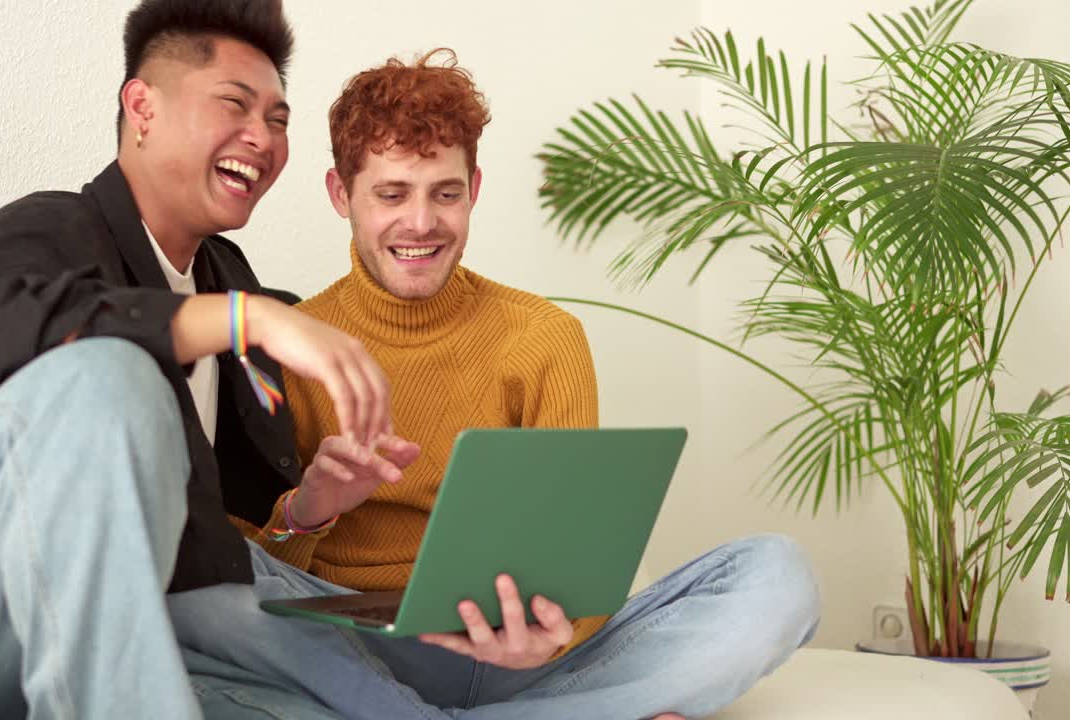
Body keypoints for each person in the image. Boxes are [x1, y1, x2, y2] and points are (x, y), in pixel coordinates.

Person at [170, 49, 822, 719]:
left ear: (473, 189)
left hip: (519, 657)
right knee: (185, 579)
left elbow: (578, 566)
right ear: (342, 194)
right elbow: (244, 569)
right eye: (392, 194)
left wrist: (551, 635)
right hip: (347, 653)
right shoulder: (289, 343)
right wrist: (308, 510)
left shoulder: (543, 337)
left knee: (778, 574)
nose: (420, 223)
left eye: (444, 194)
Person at [0, 2, 392, 718]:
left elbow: (223, 552)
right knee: (117, 370)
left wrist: (305, 513)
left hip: (129, 620)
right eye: (234, 104)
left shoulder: (232, 279)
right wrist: (238, 318)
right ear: (142, 107)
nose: (262, 137)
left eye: (279, 119)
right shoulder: (50, 227)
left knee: (391, 678)